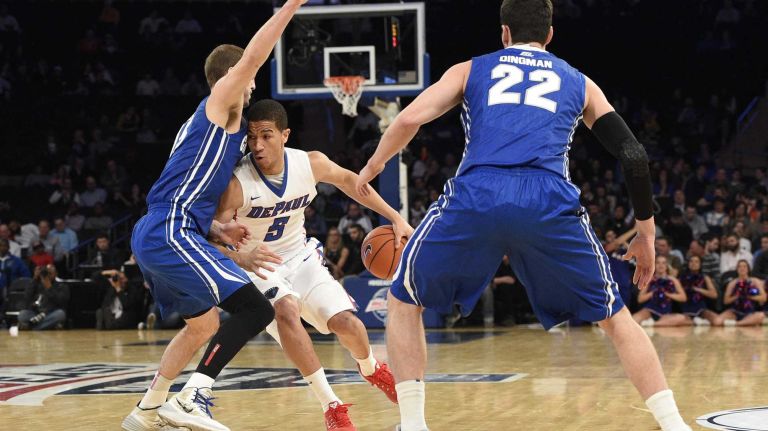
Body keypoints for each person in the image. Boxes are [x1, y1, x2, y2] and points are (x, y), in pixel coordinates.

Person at [356, 1, 692, 429]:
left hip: (478, 192)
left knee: (404, 299)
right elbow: (634, 155)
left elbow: (409, 118)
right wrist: (645, 235)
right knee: (615, 317)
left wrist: (374, 166)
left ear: (504, 33)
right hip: (547, 198)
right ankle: (673, 423)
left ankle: (414, 424)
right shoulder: (580, 82)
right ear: (550, 35)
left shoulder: (470, 69)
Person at [122, 3, 309, 431]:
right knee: (256, 310)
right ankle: (192, 399)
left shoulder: (202, 130)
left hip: (166, 229)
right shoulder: (219, 105)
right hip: (170, 229)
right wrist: (290, 7)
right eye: (248, 80)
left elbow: (183, 187)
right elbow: (254, 57)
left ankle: (146, 410)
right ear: (234, 80)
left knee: (203, 324)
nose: (252, 87)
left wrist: (217, 228)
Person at [212, 100, 412, 430]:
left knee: (348, 324)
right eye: (251, 137)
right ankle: (332, 406)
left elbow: (352, 183)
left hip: (301, 257)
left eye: (267, 135)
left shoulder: (310, 163)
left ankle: (370, 367)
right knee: (287, 309)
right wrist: (237, 258)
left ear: (285, 135)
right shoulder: (237, 184)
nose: (258, 145)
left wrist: (395, 219)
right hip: (258, 265)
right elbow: (212, 236)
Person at [632, 256, 688, 327]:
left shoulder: (673, 280)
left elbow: (683, 298)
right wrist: (653, 292)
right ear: (654, 265)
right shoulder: (649, 279)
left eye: (663, 263)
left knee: (681, 318)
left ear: (667, 266)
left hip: (665, 313)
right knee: (634, 319)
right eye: (658, 263)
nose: (661, 265)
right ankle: (651, 323)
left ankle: (653, 324)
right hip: (650, 310)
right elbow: (640, 299)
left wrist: (667, 294)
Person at [714, 259, 766, 326]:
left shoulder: (755, 281)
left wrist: (749, 296)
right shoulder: (732, 283)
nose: (742, 268)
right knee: (717, 321)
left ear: (748, 269)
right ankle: (745, 323)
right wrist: (737, 296)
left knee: (761, 315)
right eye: (739, 266)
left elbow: (764, 298)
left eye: (744, 266)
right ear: (737, 269)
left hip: (750, 312)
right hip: (735, 311)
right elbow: (726, 301)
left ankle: (737, 324)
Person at [18, 264, 69, 331]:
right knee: (22, 314)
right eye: (46, 273)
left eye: (50, 273)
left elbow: (61, 302)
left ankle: (32, 327)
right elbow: (26, 297)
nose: (48, 275)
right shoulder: (36, 283)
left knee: (60, 314)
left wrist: (49, 288)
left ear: (56, 274)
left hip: (50, 313)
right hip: (36, 313)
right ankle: (46, 325)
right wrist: (35, 278)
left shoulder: (61, 286)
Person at [678, 255, 719, 326]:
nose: (693, 263)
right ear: (688, 264)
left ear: (700, 265)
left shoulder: (705, 277)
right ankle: (695, 321)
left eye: (696, 262)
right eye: (691, 261)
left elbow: (714, 294)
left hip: (700, 306)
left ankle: (700, 321)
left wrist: (697, 289)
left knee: (716, 319)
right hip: (685, 306)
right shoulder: (681, 278)